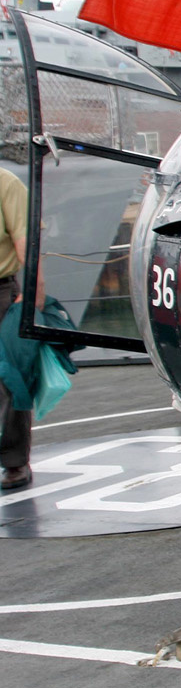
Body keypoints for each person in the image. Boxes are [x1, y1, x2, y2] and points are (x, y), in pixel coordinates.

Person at [0, 166, 32, 489]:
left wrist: (32, 292)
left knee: (9, 380)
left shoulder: (5, 183)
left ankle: (14, 461)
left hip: (1, 293)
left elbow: (24, 237)